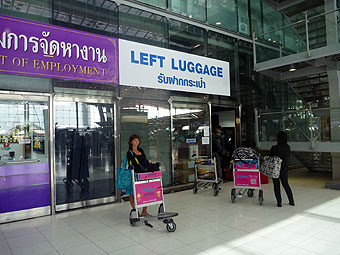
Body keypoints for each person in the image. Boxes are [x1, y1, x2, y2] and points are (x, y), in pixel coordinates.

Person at [126, 134, 160, 217]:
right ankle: (136, 211)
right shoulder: (129, 153)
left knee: (145, 191)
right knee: (133, 193)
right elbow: (131, 163)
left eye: (138, 140)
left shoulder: (141, 150)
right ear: (131, 142)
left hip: (144, 174)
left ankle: (144, 211)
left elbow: (144, 160)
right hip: (135, 174)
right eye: (135, 140)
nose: (137, 142)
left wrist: (149, 162)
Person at [270, 131, 295, 207]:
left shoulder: (274, 148)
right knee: (286, 184)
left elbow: (270, 157)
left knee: (276, 186)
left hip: (275, 169)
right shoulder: (288, 147)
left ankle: (279, 202)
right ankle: (291, 201)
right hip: (284, 169)